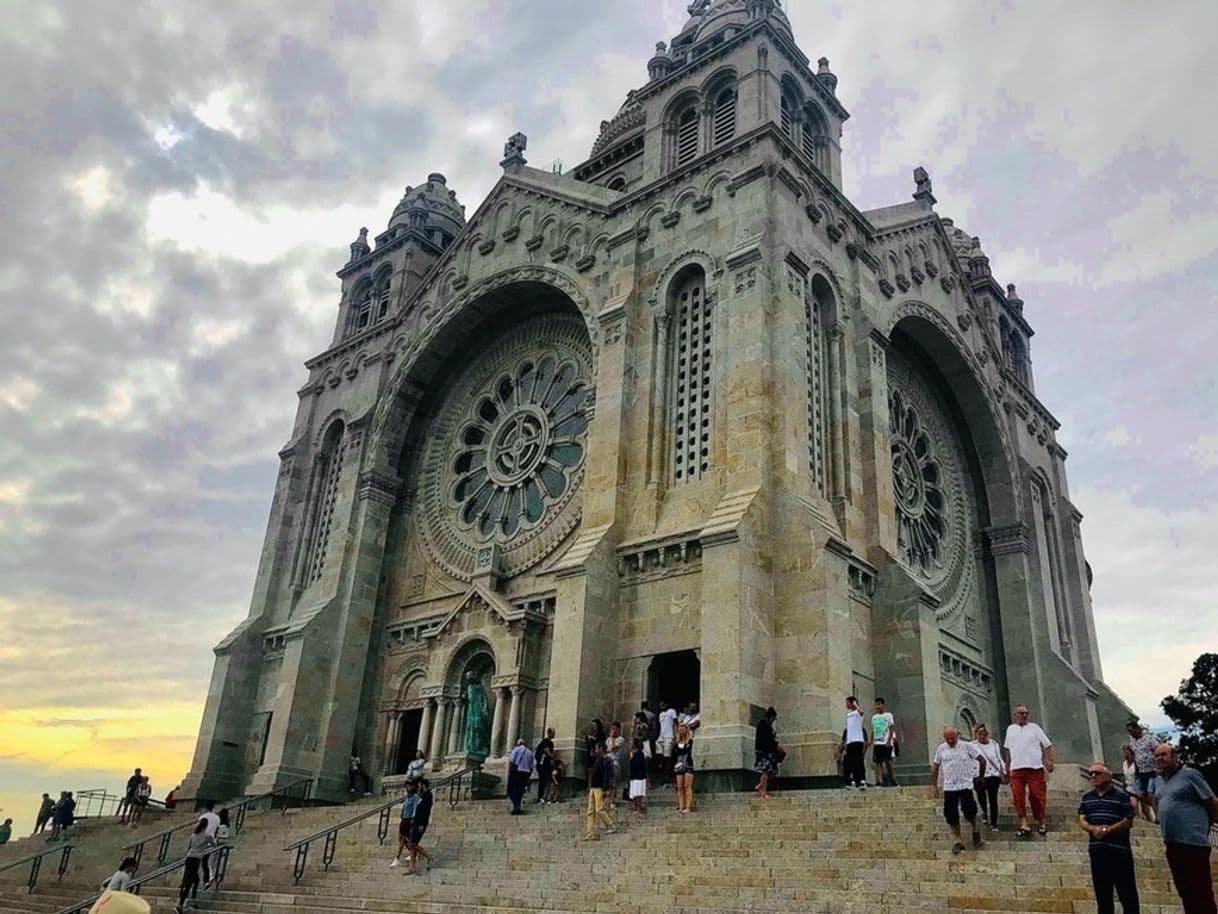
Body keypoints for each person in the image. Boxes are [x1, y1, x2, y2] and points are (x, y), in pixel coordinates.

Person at [1150, 742, 1217, 914]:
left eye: (1164, 755)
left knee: (1201, 891)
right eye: (1157, 756)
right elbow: (1158, 803)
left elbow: (1212, 802)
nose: (1160, 759)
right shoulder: (1158, 781)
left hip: (1193, 842)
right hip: (1171, 843)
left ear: (1174, 756)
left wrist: (1205, 826)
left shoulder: (1190, 775)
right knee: (1185, 891)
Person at [1078, 762, 1140, 914]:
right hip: (1097, 852)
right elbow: (1082, 819)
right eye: (1091, 773)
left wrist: (1107, 830)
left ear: (1108, 776)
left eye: (1097, 773)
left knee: (1127, 895)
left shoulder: (1122, 796)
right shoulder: (1087, 797)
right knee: (1103, 896)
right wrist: (1093, 829)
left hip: (1119, 852)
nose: (1093, 776)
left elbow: (1128, 820)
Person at [931, 726, 985, 855]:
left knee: (969, 810)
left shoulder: (966, 746)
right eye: (947, 738)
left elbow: (981, 760)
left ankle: (975, 828)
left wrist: (980, 777)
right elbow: (935, 766)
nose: (950, 741)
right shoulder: (941, 748)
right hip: (950, 786)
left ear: (957, 736)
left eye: (952, 738)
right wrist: (934, 785)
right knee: (950, 814)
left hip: (965, 784)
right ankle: (958, 840)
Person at [1002, 704, 1054, 837]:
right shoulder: (1010, 729)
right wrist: (1007, 767)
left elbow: (1047, 745)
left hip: (1034, 767)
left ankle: (1041, 820)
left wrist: (1049, 761)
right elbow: (1008, 749)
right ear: (1015, 715)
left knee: (1037, 795)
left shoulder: (1034, 728)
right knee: (1018, 796)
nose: (1024, 715)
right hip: (1016, 768)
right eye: (1021, 713)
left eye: (1026, 713)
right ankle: (1023, 822)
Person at [174, 818, 215, 913]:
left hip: (189, 857)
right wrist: (206, 847)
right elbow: (214, 845)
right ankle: (180, 905)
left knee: (195, 880)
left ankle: (193, 900)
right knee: (190, 882)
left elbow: (190, 846)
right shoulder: (207, 835)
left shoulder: (193, 835)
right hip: (196, 859)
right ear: (206, 826)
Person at [972, 723, 1006, 832]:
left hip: (993, 775)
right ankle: (985, 812)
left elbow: (998, 758)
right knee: (981, 796)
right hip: (978, 775)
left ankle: (994, 823)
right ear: (976, 734)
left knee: (993, 799)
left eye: (984, 733)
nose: (982, 736)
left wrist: (1005, 771)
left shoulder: (994, 744)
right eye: (979, 733)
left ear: (987, 733)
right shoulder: (972, 745)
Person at [1125, 721, 1158, 824]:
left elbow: (1156, 750)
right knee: (1140, 794)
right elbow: (1133, 753)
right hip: (1141, 771)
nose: (1131, 733)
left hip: (1152, 770)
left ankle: (1157, 816)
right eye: (1129, 732)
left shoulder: (1149, 738)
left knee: (1150, 793)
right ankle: (1147, 815)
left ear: (1137, 729)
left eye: (1132, 731)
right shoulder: (1132, 741)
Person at [582, 742, 615, 841]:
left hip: (600, 788)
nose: (596, 750)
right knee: (590, 811)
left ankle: (610, 825)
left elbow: (608, 775)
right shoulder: (597, 760)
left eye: (597, 748)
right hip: (593, 787)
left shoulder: (607, 761)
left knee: (599, 809)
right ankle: (590, 832)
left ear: (601, 749)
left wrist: (607, 789)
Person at [407, 779, 435, 875]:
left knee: (413, 844)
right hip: (415, 821)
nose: (418, 788)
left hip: (420, 823)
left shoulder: (428, 795)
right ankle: (412, 868)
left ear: (423, 785)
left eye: (419, 786)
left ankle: (429, 857)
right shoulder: (421, 795)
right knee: (412, 846)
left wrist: (422, 824)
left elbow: (426, 811)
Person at [840, 696, 868, 790]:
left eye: (847, 702)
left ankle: (862, 781)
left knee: (858, 761)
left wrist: (856, 705)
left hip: (858, 741)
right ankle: (852, 782)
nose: (846, 704)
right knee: (849, 762)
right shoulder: (848, 715)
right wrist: (846, 743)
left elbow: (861, 712)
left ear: (852, 703)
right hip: (850, 742)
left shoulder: (858, 712)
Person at [390, 781, 419, 868]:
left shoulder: (415, 797)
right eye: (406, 786)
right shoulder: (407, 797)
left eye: (408, 786)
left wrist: (413, 819)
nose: (407, 788)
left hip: (409, 820)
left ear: (412, 787)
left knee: (403, 839)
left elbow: (415, 808)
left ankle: (397, 858)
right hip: (404, 819)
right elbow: (404, 808)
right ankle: (413, 852)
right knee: (402, 839)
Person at [754, 707, 780, 800]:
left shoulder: (765, 724)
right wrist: (775, 746)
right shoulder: (764, 725)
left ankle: (761, 785)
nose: (773, 721)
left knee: (773, 770)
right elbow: (768, 740)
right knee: (765, 771)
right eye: (773, 718)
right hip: (765, 752)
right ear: (771, 717)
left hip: (767, 751)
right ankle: (763, 793)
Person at [871, 698, 897, 787]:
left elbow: (891, 728)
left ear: (883, 705)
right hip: (877, 742)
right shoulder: (874, 717)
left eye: (879, 704)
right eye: (876, 705)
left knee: (888, 761)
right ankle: (879, 780)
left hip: (885, 741)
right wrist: (871, 741)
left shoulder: (888, 715)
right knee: (878, 762)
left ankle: (891, 778)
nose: (877, 707)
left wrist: (889, 740)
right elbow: (873, 730)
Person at [197, 801, 221, 887]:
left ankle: (208, 878)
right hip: (211, 840)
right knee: (205, 861)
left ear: (205, 808)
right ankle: (208, 878)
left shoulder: (203, 817)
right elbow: (218, 828)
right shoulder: (217, 818)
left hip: (201, 840)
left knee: (201, 861)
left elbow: (198, 828)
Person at [673, 723, 696, 815]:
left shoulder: (689, 741)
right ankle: (681, 806)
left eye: (683, 729)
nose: (681, 731)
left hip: (687, 763)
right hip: (678, 764)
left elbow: (686, 751)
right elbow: (675, 753)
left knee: (687, 786)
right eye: (680, 730)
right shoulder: (677, 743)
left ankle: (688, 806)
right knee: (679, 787)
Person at [507, 738, 533, 814]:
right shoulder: (530, 752)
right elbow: (532, 766)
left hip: (517, 772)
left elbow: (511, 761)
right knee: (520, 791)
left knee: (510, 790)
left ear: (518, 743)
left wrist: (509, 772)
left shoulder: (516, 749)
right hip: (526, 773)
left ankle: (516, 805)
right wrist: (529, 776)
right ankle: (517, 806)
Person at [656, 701, 678, 786]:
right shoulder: (660, 714)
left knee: (667, 756)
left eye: (662, 704)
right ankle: (662, 768)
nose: (661, 706)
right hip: (661, 737)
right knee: (659, 755)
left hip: (669, 736)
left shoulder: (672, 711)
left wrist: (676, 735)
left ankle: (666, 775)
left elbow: (675, 723)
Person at [534, 728, 556, 804]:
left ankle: (544, 797)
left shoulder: (547, 742)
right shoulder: (546, 741)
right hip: (543, 765)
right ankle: (540, 797)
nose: (554, 734)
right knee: (543, 781)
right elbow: (547, 751)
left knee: (545, 780)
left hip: (544, 764)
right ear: (550, 733)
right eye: (553, 733)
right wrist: (554, 758)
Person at [606, 722, 626, 803]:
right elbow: (606, 750)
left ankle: (612, 800)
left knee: (614, 781)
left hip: (614, 761)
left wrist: (613, 738)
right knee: (608, 781)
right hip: (607, 760)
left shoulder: (620, 739)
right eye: (611, 729)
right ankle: (607, 798)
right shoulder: (608, 739)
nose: (612, 730)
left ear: (618, 729)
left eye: (614, 728)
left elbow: (613, 749)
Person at [630, 713, 652, 787]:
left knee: (645, 766)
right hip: (638, 748)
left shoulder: (644, 726)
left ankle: (647, 782)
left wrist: (636, 737)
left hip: (644, 748)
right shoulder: (636, 727)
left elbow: (644, 736)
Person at [628, 739, 648, 814]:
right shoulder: (631, 753)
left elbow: (639, 765)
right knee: (634, 793)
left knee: (638, 793)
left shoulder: (640, 753)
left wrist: (632, 757)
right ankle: (635, 807)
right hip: (633, 776)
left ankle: (639, 808)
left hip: (639, 776)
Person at [584, 719, 606, 786]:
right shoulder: (592, 733)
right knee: (590, 770)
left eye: (594, 725)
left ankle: (596, 785)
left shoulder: (601, 733)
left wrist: (592, 738)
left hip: (597, 753)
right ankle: (589, 785)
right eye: (592, 725)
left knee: (596, 769)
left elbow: (601, 741)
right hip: (590, 752)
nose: (593, 727)